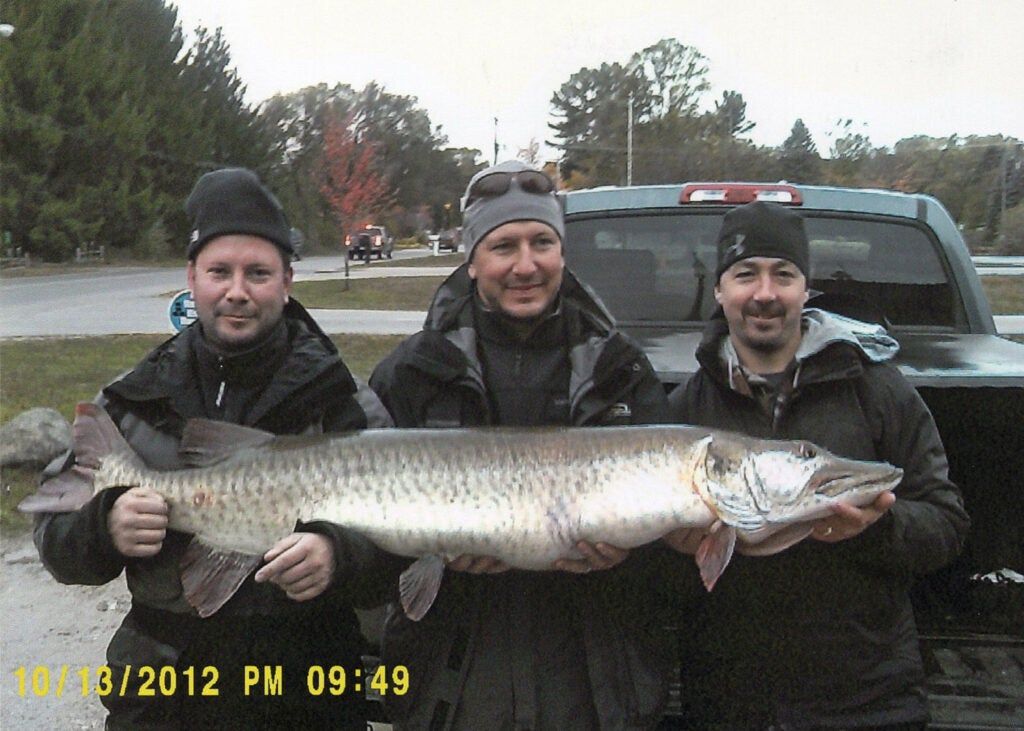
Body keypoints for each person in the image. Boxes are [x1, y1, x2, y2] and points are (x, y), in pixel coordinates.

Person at [33, 167, 396, 730]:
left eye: (258, 273)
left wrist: (341, 556)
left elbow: (406, 545)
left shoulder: (346, 403)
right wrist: (103, 527)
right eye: (219, 271)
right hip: (165, 696)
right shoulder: (135, 399)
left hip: (310, 693)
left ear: (287, 281)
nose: (237, 291)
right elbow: (54, 534)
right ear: (192, 276)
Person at [369, 160, 672, 730]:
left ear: (563, 253)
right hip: (452, 691)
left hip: (592, 691)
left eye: (542, 243)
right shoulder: (410, 373)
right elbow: (360, 549)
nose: (525, 265)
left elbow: (672, 542)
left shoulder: (621, 369)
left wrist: (629, 554)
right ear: (472, 258)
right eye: (503, 245)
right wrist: (421, 553)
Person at [663, 200, 970, 730]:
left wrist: (878, 528)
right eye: (745, 274)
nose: (764, 293)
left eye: (783, 274)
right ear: (720, 291)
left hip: (867, 705)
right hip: (730, 707)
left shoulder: (878, 390)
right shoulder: (682, 413)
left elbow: (947, 522)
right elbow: (655, 581)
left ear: (805, 289)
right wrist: (672, 547)